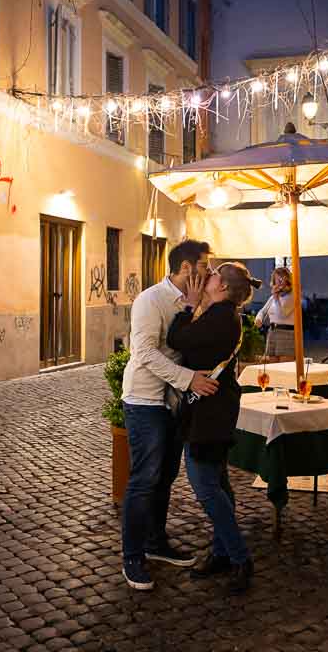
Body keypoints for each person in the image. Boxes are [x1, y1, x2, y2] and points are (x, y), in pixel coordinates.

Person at [120, 239, 221, 591]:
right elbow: (144, 352)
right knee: (144, 477)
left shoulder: (191, 302)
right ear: (186, 270)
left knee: (165, 475)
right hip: (145, 400)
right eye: (205, 266)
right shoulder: (150, 300)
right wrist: (189, 380)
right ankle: (132, 555)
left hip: (173, 402)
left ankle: (155, 542)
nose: (209, 271)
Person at [168, 262, 261, 595]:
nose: (207, 278)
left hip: (210, 413)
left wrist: (191, 307)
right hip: (215, 408)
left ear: (222, 288)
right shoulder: (224, 314)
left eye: (213, 275)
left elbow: (177, 339)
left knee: (205, 485)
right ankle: (223, 553)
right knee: (219, 482)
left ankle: (239, 556)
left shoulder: (220, 316)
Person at [255, 267, 296, 359]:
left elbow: (282, 315)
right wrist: (259, 318)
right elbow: (263, 311)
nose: (279, 283)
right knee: (271, 365)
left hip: (286, 334)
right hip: (272, 332)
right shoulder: (272, 298)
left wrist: (276, 298)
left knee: (283, 367)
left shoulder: (292, 296)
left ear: (287, 280)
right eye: (276, 280)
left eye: (281, 279)